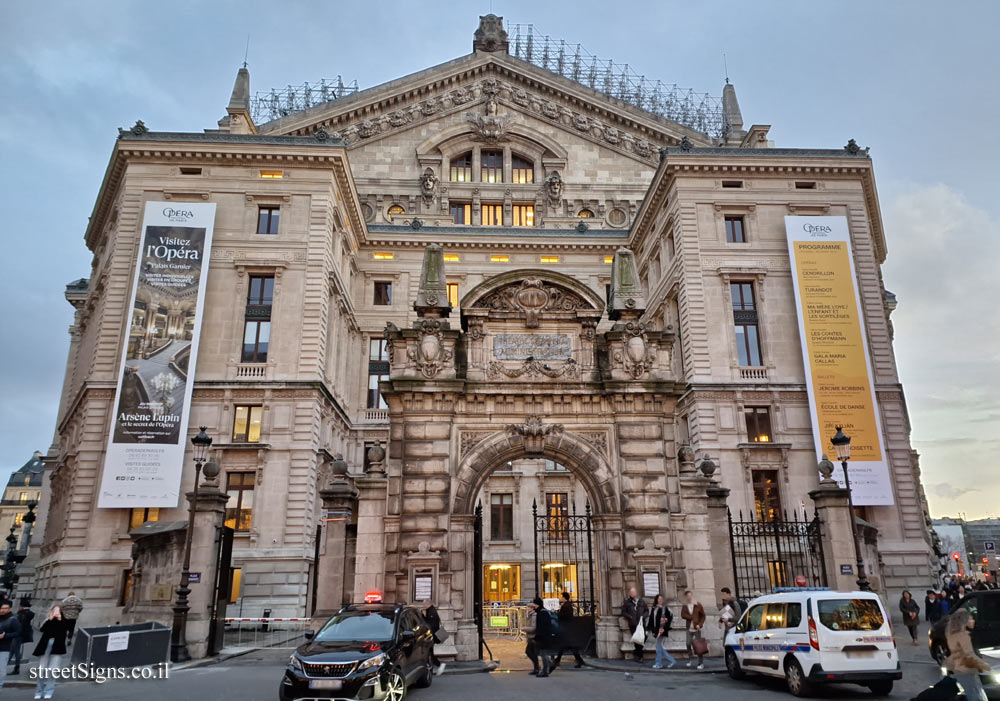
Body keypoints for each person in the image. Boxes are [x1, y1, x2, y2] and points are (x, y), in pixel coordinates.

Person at [944, 608, 991, 701]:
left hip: (960, 670)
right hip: (966, 671)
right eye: (971, 619)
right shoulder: (963, 636)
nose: (973, 621)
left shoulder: (953, 634)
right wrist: (986, 666)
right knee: (976, 697)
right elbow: (969, 654)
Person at [33, 605, 68, 700]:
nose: (56, 612)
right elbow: (42, 629)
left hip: (57, 647)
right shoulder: (48, 620)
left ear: (61, 612)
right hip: (45, 646)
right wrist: (50, 619)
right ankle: (39, 691)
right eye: (54, 610)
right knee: (42, 669)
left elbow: (65, 631)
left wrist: (60, 619)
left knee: (53, 670)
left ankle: (49, 690)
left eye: (57, 611)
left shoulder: (64, 621)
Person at [551, 592, 585, 669]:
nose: (561, 598)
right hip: (567, 628)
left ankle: (557, 660)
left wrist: (557, 614)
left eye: (561, 597)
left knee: (565, 646)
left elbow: (564, 616)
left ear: (564, 597)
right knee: (566, 646)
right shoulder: (567, 605)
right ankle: (579, 661)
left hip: (566, 628)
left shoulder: (567, 605)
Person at [620, 587, 648, 663]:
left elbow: (646, 610)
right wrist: (630, 617)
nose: (632, 594)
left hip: (641, 623)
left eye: (633, 592)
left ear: (636, 593)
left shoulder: (641, 601)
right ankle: (640, 656)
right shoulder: (627, 602)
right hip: (633, 624)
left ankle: (636, 652)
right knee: (636, 639)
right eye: (631, 592)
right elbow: (623, 612)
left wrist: (643, 616)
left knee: (644, 637)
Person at [647, 594, 676, 669]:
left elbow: (666, 620)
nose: (660, 600)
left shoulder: (664, 608)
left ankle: (658, 663)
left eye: (661, 599)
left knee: (658, 646)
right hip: (656, 630)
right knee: (659, 647)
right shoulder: (655, 608)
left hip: (662, 630)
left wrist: (662, 629)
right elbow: (651, 619)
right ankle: (672, 660)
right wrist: (648, 628)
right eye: (659, 599)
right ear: (656, 600)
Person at [418, 600, 445, 676]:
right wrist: (422, 615)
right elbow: (427, 621)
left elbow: (430, 625)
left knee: (430, 654)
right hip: (431, 636)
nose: (423, 605)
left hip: (432, 636)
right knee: (430, 653)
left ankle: (439, 665)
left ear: (428, 604)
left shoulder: (432, 612)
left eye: (424, 604)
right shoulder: (430, 611)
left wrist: (428, 636)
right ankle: (433, 667)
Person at [531, 598, 557, 678]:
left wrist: (537, 636)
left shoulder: (542, 613)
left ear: (537, 604)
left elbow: (542, 627)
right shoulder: (542, 612)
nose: (533, 606)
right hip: (545, 636)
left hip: (544, 637)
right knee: (543, 653)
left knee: (543, 654)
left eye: (534, 604)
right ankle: (551, 665)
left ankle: (545, 671)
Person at [680, 590, 706, 670]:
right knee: (688, 644)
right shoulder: (685, 606)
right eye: (688, 596)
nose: (689, 597)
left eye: (690, 595)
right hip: (689, 628)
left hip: (696, 628)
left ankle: (700, 663)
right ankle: (690, 659)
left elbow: (703, 616)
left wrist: (700, 625)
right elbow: (682, 615)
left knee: (699, 646)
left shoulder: (697, 605)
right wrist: (691, 617)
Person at [0, 600, 22, 689]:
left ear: (9, 609)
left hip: (4, 648)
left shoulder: (13, 619)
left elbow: (18, 633)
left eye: (5, 608)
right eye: (1, 608)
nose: (2, 610)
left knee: (1, 669)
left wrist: (5, 635)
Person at [11, 599, 35, 675]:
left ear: (23, 607)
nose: (19, 607)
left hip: (18, 634)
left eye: (20, 606)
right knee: (12, 651)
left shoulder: (23, 614)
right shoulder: (27, 613)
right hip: (20, 634)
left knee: (16, 651)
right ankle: (6, 667)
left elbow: (20, 624)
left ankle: (16, 668)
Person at [523, 600, 539, 675]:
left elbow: (533, 628)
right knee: (533, 653)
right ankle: (537, 668)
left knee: (529, 652)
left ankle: (537, 668)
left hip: (533, 637)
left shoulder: (534, 616)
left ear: (532, 608)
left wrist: (524, 628)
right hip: (531, 637)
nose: (527, 609)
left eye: (529, 607)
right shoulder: (530, 615)